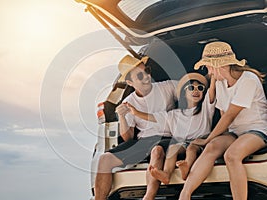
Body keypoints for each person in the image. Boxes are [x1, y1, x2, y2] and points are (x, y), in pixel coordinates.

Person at [178, 41, 267, 200]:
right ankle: (185, 195)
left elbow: (229, 116)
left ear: (219, 65)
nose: (209, 72)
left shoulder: (248, 79)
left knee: (231, 156)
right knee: (212, 147)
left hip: (256, 131)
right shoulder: (220, 83)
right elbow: (223, 115)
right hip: (234, 132)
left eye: (209, 67)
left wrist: (208, 138)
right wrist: (212, 140)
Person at [94, 55, 178, 200]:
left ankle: (148, 197)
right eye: (140, 75)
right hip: (142, 142)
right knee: (104, 159)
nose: (146, 76)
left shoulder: (167, 87)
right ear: (130, 82)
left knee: (157, 151)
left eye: (147, 70)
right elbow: (128, 138)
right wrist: (121, 117)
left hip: (166, 138)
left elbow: (191, 86)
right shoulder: (128, 101)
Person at [127, 72, 216, 187]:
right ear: (183, 93)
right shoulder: (174, 114)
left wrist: (213, 74)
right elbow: (154, 118)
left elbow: (212, 90)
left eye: (200, 88)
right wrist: (136, 113)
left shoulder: (206, 108)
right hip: (182, 143)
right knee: (173, 148)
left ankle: (186, 167)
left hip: (200, 141)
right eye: (191, 87)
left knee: (191, 149)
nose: (196, 91)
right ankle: (166, 174)